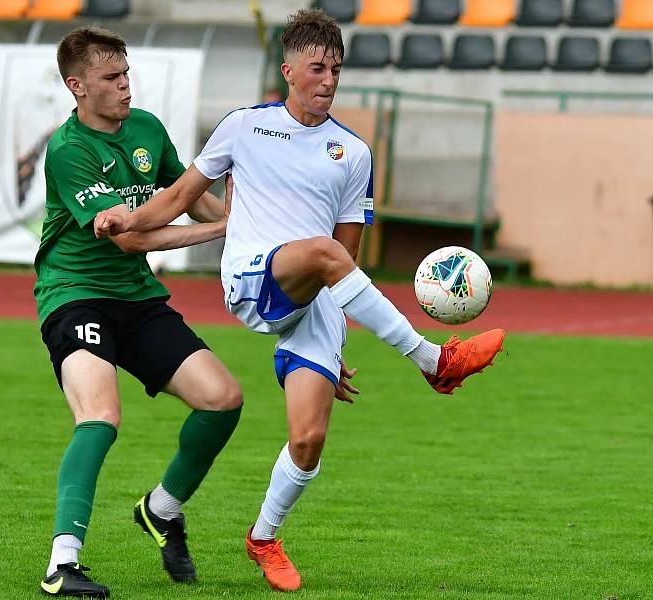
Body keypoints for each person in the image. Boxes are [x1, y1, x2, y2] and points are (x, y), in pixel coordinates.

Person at [94, 9, 505, 592]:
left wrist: (333, 346)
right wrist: (129, 218)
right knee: (318, 252)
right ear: (289, 70)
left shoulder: (353, 153)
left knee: (308, 441)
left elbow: (347, 258)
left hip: (313, 292)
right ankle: (434, 362)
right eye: (318, 68)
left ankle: (263, 536)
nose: (329, 80)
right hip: (253, 278)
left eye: (337, 69)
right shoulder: (243, 126)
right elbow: (182, 196)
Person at [34, 27, 243, 598]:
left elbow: (186, 188)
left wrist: (244, 227)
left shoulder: (147, 127)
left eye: (127, 74)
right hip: (74, 295)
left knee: (223, 400)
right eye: (111, 78)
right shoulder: (69, 149)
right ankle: (63, 562)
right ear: (77, 86)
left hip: (137, 300)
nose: (126, 86)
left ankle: (161, 508)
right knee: (100, 417)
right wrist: (220, 229)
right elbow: (131, 240)